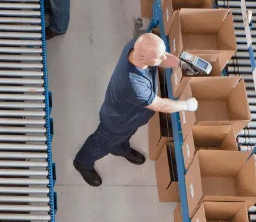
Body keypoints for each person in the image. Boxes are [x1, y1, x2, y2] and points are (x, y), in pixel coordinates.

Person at [73, 33, 197, 187]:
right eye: (159, 57)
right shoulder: (134, 84)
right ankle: (82, 163)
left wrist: (183, 64)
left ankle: (119, 148)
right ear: (142, 58)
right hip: (117, 122)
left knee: (125, 135)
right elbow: (161, 105)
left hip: (133, 117)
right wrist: (187, 105)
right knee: (101, 143)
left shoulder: (137, 46)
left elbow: (163, 58)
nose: (163, 59)